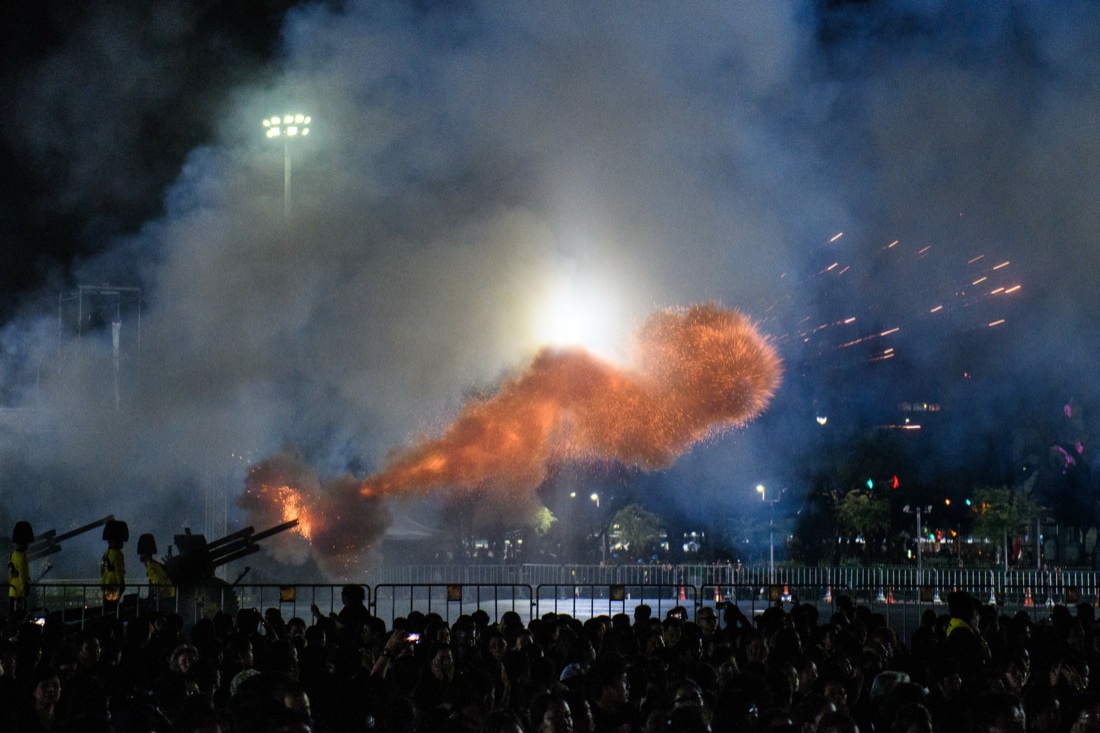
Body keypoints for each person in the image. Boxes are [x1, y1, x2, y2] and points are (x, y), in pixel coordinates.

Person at [136, 533, 174, 611]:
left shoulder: (151, 566)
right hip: (167, 594)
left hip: (164, 596)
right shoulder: (155, 564)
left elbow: (158, 581)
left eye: (142, 554)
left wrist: (156, 592)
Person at [100, 520, 129, 610]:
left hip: (106, 582)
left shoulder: (106, 553)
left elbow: (102, 569)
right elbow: (119, 570)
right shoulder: (118, 554)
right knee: (114, 606)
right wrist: (121, 583)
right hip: (114, 583)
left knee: (107, 605)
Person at [8, 520, 33, 621]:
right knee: (20, 619)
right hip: (19, 593)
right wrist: (25, 588)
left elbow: (10, 573)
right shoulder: (22, 556)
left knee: (12, 618)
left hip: (12, 590)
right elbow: (23, 575)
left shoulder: (13, 554)